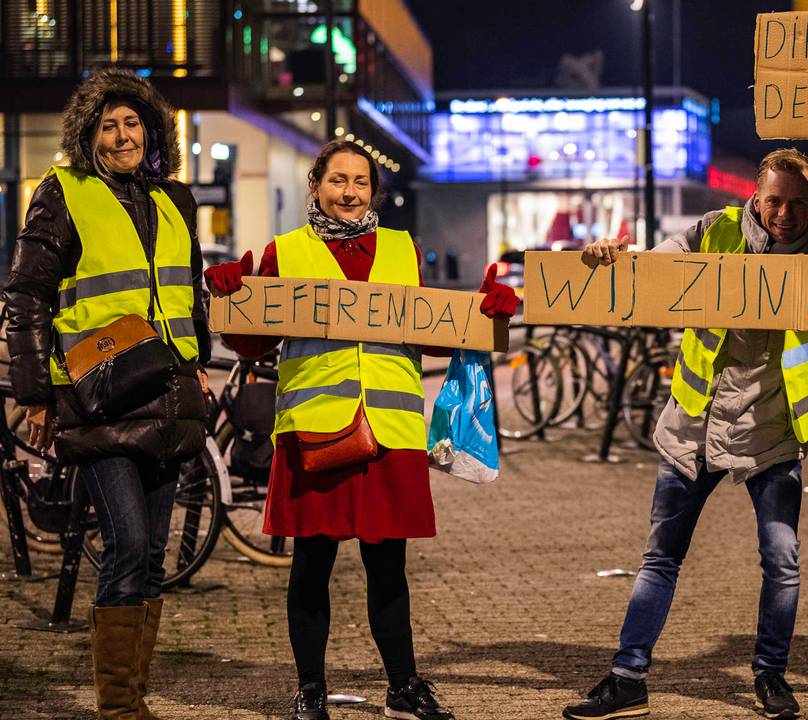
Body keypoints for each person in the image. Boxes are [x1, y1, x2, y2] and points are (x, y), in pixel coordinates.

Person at [205, 140, 518, 720]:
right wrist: (229, 296)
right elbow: (252, 342)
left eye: (362, 183)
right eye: (338, 181)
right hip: (316, 432)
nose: (350, 192)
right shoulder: (285, 251)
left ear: (375, 191)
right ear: (316, 185)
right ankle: (309, 692)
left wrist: (484, 311)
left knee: (388, 568)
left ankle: (404, 687)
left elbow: (427, 331)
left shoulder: (403, 249)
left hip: (390, 433)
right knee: (312, 565)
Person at [560, 149, 808, 720]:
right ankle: (627, 679)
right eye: (774, 201)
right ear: (755, 195)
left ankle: (771, 676)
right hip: (694, 428)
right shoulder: (711, 231)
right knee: (660, 558)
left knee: (782, 560)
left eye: (797, 204)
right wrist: (609, 258)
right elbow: (648, 268)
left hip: (772, 432)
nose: (785, 214)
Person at [2, 68, 211, 720]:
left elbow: (189, 292)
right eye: (107, 124)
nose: (122, 134)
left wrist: (199, 361)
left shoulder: (177, 200)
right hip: (99, 400)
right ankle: (119, 709)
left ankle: (132, 696)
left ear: (152, 130)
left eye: (132, 122)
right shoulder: (64, 193)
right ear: (88, 134)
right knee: (124, 544)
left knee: (150, 552)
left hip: (169, 398)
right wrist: (36, 394)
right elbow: (27, 297)